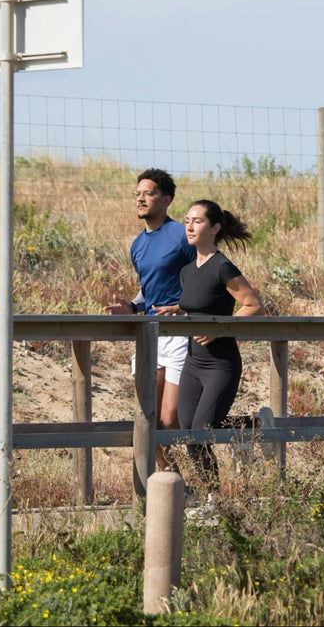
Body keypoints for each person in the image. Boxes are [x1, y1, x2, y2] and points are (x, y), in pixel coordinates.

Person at [176, 200, 264, 513]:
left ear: (214, 228)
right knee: (188, 433)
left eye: (197, 221)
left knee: (201, 431)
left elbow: (253, 305)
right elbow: (198, 302)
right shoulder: (188, 270)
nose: (189, 226)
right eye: (187, 220)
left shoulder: (222, 266)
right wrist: (176, 309)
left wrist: (221, 329)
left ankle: (214, 501)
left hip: (220, 363)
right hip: (193, 362)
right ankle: (247, 426)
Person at [105, 169, 195, 472]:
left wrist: (186, 307)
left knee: (172, 418)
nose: (141, 198)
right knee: (147, 417)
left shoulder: (182, 235)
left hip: (183, 333)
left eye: (149, 193)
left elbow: (205, 273)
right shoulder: (137, 245)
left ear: (166, 200)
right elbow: (150, 287)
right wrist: (133, 306)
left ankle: (239, 432)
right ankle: (175, 484)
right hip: (151, 334)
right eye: (138, 193)